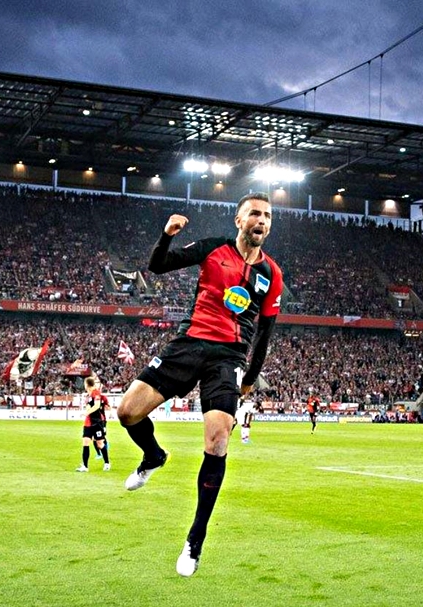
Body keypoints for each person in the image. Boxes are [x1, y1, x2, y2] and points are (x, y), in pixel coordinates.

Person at [115, 192, 283, 577]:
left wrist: (249, 380)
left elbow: (265, 334)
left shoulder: (271, 274)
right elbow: (158, 265)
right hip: (189, 343)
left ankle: (195, 539)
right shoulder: (213, 249)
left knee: (218, 440)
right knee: (126, 412)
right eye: (254, 213)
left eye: (267, 215)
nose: (261, 220)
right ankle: (153, 455)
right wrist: (167, 235)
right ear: (239, 220)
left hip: (228, 358)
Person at [76, 374, 110, 472]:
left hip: (97, 422)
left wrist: (86, 413)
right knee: (85, 442)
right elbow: (88, 406)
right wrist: (86, 412)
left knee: (100, 443)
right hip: (88, 423)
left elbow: (97, 405)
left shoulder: (96, 393)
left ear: (87, 384)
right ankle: (85, 466)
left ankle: (107, 463)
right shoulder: (88, 396)